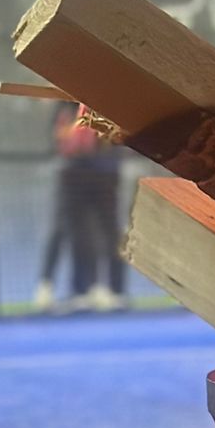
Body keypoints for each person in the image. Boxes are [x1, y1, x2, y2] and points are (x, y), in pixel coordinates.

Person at [33, 102, 125, 311]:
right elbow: (57, 137)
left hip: (104, 174)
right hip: (72, 173)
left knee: (110, 232)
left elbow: (116, 137)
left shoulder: (106, 102)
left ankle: (114, 290)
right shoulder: (64, 107)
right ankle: (79, 289)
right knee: (73, 233)